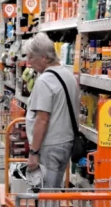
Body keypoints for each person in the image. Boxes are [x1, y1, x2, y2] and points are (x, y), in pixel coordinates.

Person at [24, 33, 79, 189]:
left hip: (49, 146)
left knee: (46, 194)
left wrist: (33, 153)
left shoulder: (45, 81)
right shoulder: (68, 75)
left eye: (31, 57)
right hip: (66, 142)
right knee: (54, 190)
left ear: (44, 58)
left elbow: (42, 119)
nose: (29, 62)